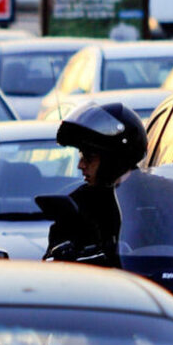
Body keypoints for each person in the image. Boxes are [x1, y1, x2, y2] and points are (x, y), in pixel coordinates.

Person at [42, 102, 147, 268]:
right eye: (81, 155)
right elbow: (52, 263)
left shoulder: (159, 196)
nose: (80, 165)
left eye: (89, 157)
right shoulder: (77, 205)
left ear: (113, 159)